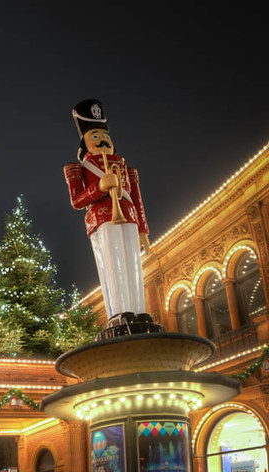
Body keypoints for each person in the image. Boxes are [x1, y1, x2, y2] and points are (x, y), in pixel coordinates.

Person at [63, 99, 151, 328]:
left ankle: (139, 311)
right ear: (84, 141)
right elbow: (77, 201)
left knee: (132, 265)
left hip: (128, 217)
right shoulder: (79, 168)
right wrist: (99, 188)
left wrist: (143, 230)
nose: (103, 140)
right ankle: (120, 314)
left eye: (106, 137)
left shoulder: (124, 166)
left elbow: (137, 198)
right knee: (112, 264)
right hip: (101, 218)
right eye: (95, 136)